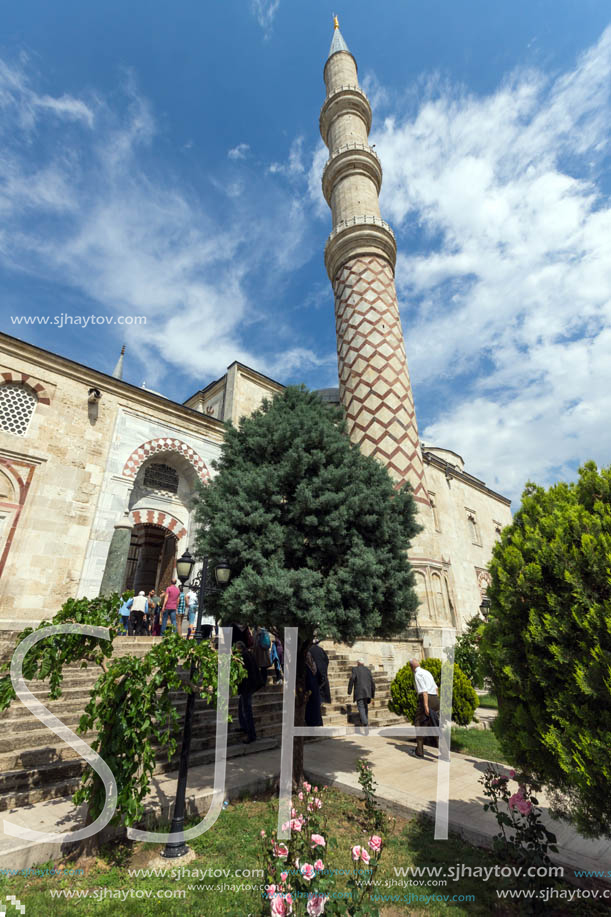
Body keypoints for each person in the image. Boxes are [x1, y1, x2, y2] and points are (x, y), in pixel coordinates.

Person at [409, 659, 440, 758]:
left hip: (426, 700)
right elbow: (436, 688)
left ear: (411, 667)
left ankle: (419, 751)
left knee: (418, 723)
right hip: (435, 699)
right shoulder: (427, 672)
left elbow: (424, 691)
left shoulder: (417, 674)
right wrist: (435, 701)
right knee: (434, 724)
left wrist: (426, 706)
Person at [235, 641, 262, 744]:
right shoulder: (248, 654)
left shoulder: (244, 656)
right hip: (250, 685)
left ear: (239, 649)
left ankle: (251, 734)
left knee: (247, 709)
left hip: (247, 686)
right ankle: (244, 726)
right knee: (241, 706)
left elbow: (244, 674)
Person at [348, 659, 376, 727]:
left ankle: (365, 722)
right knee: (365, 706)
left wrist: (349, 690)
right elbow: (372, 683)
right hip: (368, 691)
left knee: (361, 707)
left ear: (358, 663)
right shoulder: (368, 670)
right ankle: (364, 721)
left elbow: (352, 678)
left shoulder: (355, 669)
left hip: (359, 691)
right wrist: (372, 694)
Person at [305, 650, 323, 726]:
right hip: (312, 689)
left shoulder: (309, 666)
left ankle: (314, 723)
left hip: (312, 689)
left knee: (314, 707)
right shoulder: (310, 666)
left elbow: (320, 677)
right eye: (307, 657)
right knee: (313, 707)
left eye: (309, 656)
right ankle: (314, 723)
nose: (308, 658)